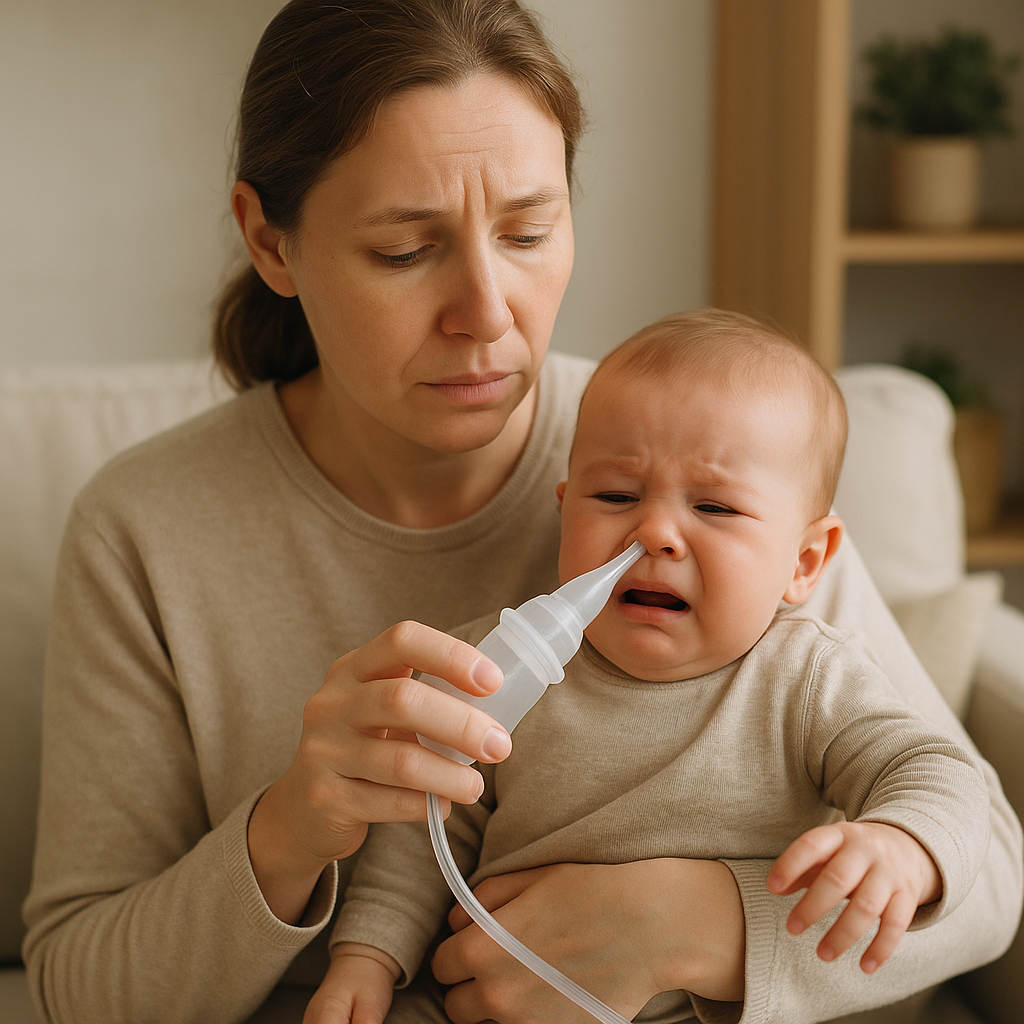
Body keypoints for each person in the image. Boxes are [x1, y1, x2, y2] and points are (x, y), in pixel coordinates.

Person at [21, 3, 1020, 1024]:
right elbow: (77, 990)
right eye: (405, 251)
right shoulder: (145, 529)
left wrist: (695, 924)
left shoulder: (709, 459)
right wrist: (288, 828)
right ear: (270, 241)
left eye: (528, 230)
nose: (489, 312)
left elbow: (981, 871)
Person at [309, 310, 991, 1023]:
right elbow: (426, 829)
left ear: (805, 560)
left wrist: (904, 847)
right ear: (566, 511)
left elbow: (936, 772)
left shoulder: (807, 679)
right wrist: (367, 959)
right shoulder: (500, 666)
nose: (656, 532)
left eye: (716, 506)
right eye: (616, 497)